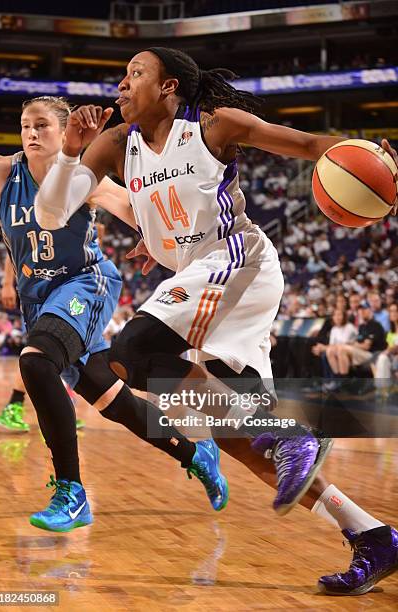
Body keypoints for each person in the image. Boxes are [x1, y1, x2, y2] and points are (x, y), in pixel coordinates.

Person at [34, 48, 398, 594]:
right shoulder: (115, 144)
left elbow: (304, 144)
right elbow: (51, 214)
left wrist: (368, 152)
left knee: (128, 354)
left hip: (239, 263)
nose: (122, 84)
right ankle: (371, 535)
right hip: (207, 279)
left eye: (136, 74)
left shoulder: (211, 127)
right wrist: (68, 154)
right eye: (123, 75)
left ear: (169, 86)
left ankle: (288, 430)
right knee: (239, 440)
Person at [0, 95, 230, 532]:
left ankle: (71, 492)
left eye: (41, 125)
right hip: (39, 301)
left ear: (65, 134)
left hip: (84, 284)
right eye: (25, 125)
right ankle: (195, 453)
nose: (31, 133)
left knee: (36, 363)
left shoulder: (86, 180)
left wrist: (151, 236)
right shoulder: (4, 172)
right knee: (112, 401)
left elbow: (142, 213)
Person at [0, 256, 86, 431]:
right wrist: (7, 283)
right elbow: (11, 244)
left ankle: (60, 412)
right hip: (39, 287)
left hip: (64, 286)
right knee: (39, 351)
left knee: (54, 351)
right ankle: (13, 407)